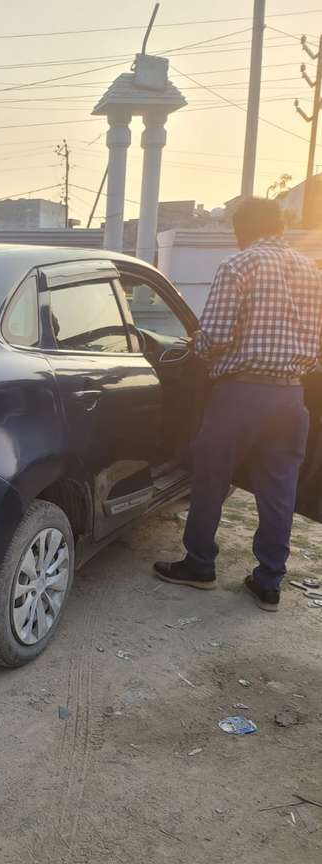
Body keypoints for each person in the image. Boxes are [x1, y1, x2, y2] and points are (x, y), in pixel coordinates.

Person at [154, 196, 322, 611]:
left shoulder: (238, 266)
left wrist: (199, 349)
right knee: (280, 489)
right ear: (279, 227)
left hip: (240, 393)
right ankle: (268, 582)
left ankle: (200, 565)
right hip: (291, 395)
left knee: (211, 477)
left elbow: (213, 337)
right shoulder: (311, 272)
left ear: (241, 229)